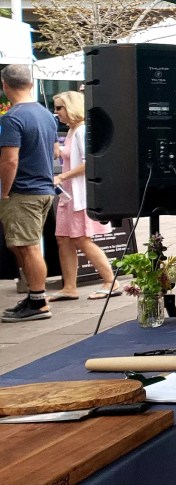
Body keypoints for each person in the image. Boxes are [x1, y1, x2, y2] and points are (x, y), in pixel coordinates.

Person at [0, 65, 60, 323]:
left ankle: (38, 301)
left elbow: (9, 160)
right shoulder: (46, 114)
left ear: (5, 86)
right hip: (43, 188)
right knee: (20, 245)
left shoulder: (12, 118)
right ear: (31, 83)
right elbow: (56, 151)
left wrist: (4, 191)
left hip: (23, 191)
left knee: (28, 246)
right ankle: (35, 298)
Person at [45, 92, 117, 302]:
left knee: (81, 239)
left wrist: (62, 176)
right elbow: (65, 157)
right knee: (63, 239)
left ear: (71, 107)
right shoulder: (72, 131)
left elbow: (90, 163)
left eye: (59, 108)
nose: (56, 112)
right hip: (68, 195)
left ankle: (110, 280)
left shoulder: (82, 130)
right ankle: (69, 287)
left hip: (77, 194)